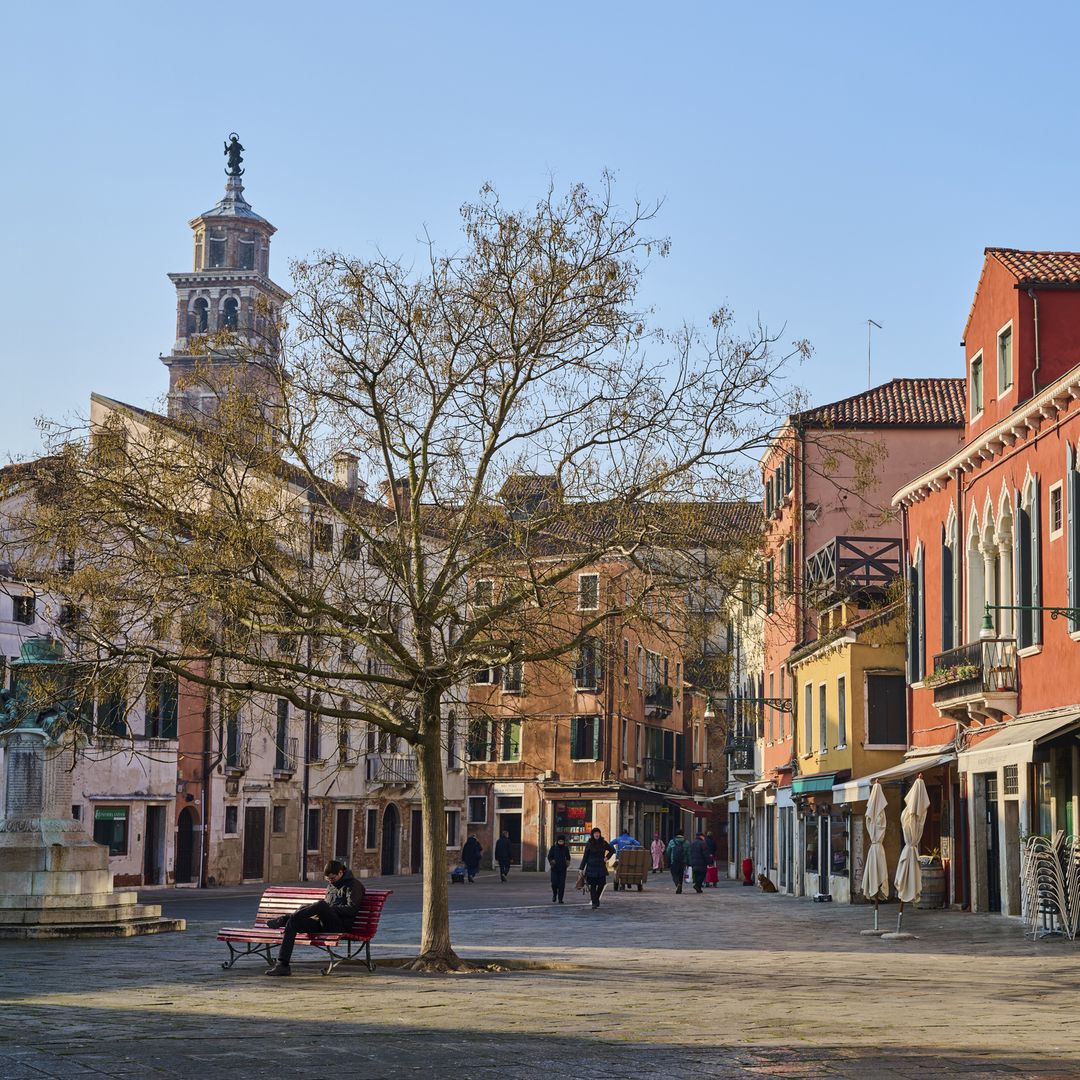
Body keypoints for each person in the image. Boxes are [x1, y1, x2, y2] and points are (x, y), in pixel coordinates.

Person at [264, 860, 365, 976]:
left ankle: (284, 918)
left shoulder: (354, 885)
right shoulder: (332, 885)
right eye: (328, 879)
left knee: (321, 905)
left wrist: (328, 908)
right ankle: (282, 965)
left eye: (332, 878)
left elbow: (352, 909)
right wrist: (317, 910)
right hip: (323, 923)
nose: (330, 881)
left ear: (341, 873)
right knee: (293, 922)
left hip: (340, 925)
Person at [579, 827, 616, 909]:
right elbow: (585, 857)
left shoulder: (603, 843)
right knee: (592, 885)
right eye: (595, 833)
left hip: (600, 866)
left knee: (601, 884)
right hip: (591, 867)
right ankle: (594, 903)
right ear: (592, 834)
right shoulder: (589, 844)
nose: (597, 834)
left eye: (598, 833)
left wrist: (607, 858)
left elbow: (612, 850)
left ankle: (596, 899)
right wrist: (581, 868)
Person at [547, 834, 572, 903]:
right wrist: (552, 861)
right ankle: (554, 894)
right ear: (557, 841)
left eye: (562, 841)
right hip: (554, 868)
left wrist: (567, 863)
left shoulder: (565, 848)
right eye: (559, 841)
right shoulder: (553, 848)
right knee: (554, 883)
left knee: (561, 885)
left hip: (563, 869)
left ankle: (560, 899)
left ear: (564, 842)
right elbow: (549, 856)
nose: (561, 842)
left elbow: (568, 857)